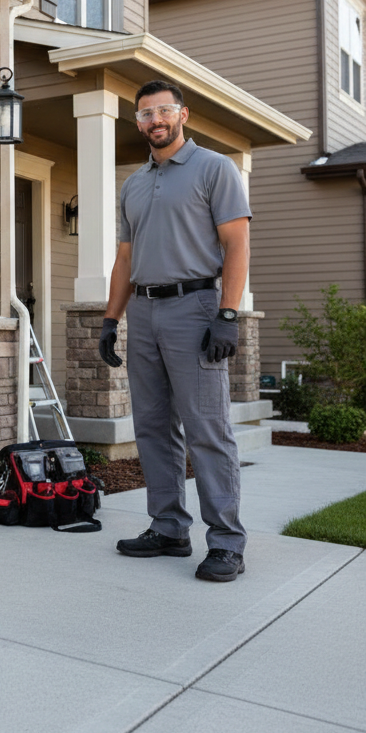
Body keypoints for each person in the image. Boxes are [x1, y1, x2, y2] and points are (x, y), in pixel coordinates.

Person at [99, 80, 251, 582]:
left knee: (207, 429)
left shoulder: (214, 168)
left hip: (196, 307)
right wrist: (109, 319)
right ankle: (168, 528)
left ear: (183, 114)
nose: (155, 120)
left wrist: (227, 314)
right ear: (138, 122)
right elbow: (125, 258)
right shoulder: (134, 183)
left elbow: (236, 245)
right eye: (145, 114)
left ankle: (227, 542)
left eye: (163, 111)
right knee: (152, 427)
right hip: (143, 312)